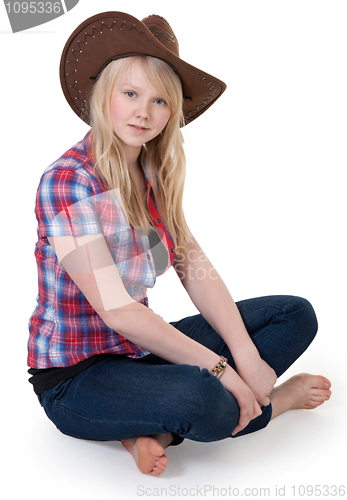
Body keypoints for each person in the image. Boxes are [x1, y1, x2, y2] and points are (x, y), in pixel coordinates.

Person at [28, 11, 331, 476]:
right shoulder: (68, 182)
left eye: (160, 101)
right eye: (130, 93)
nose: (143, 113)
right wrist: (221, 369)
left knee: (295, 314)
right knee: (205, 401)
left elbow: (192, 263)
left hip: (139, 353)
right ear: (103, 93)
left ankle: (150, 429)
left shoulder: (151, 170)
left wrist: (245, 354)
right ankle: (276, 402)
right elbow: (118, 310)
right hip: (78, 378)